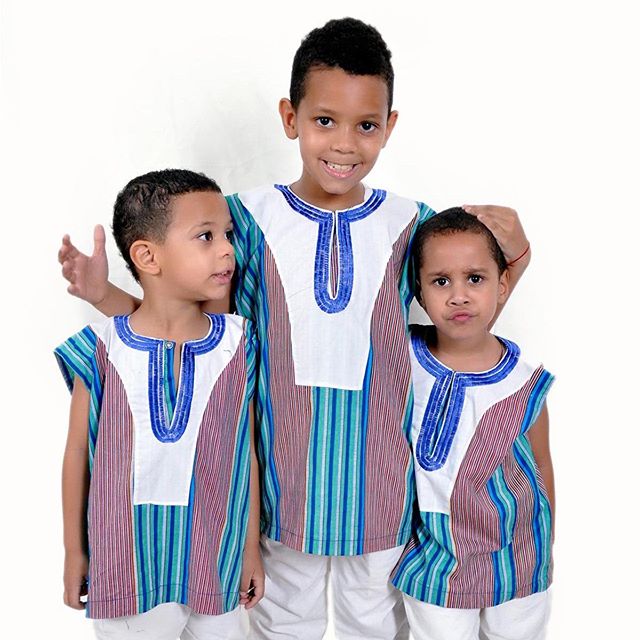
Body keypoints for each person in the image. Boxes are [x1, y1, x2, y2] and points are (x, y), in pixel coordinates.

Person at [57, 19, 531, 640]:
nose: (345, 143)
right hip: (280, 488)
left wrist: (518, 259)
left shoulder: (412, 224)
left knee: (375, 625)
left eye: (366, 126)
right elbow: (185, 329)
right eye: (325, 120)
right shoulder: (244, 220)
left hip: (382, 486)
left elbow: (464, 322)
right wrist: (105, 295)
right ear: (291, 117)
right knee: (282, 625)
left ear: (390, 127)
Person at [55, 169, 264, 640]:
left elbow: (245, 453)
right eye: (206, 236)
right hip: (126, 566)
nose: (227, 250)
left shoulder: (239, 344)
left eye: (228, 235)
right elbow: (77, 455)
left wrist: (250, 549)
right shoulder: (101, 349)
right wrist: (74, 552)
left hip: (216, 561)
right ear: (148, 256)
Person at [391, 208, 554, 640]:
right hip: (435, 559)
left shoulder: (524, 382)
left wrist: (546, 542)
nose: (459, 296)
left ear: (502, 286)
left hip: (517, 559)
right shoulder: (404, 358)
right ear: (419, 292)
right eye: (441, 281)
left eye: (475, 279)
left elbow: (541, 465)